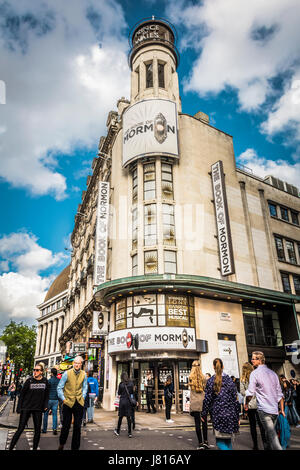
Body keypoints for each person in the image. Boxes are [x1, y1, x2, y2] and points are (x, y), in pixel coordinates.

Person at [244, 351, 284, 450]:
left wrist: (246, 403)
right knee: (268, 436)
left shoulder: (255, 373)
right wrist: (282, 409)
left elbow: (250, 393)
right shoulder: (273, 373)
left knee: (272, 437)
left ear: (259, 360)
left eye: (253, 358)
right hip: (274, 410)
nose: (251, 360)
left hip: (264, 410)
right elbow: (280, 394)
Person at [9, 363, 49, 450]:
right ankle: (11, 448)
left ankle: (34, 448)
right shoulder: (29, 381)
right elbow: (22, 395)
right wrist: (19, 408)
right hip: (26, 408)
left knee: (37, 430)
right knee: (20, 429)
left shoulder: (45, 381)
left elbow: (47, 395)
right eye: (34, 370)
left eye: (37, 370)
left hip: (38, 409)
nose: (35, 372)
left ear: (41, 372)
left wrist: (46, 405)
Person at [201, 358, 240, 450]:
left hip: (218, 414)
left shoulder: (210, 381)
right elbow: (235, 399)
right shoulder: (230, 381)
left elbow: (207, 400)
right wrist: (237, 415)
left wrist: (204, 413)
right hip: (230, 413)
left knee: (220, 441)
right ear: (223, 366)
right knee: (227, 440)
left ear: (213, 367)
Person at [57, 355, 87, 450]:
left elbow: (85, 387)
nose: (77, 365)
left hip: (79, 402)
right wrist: (63, 399)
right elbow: (59, 388)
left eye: (79, 363)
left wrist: (83, 396)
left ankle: (75, 448)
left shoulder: (84, 374)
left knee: (77, 427)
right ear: (73, 363)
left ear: (81, 364)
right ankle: (62, 443)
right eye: (75, 363)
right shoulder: (67, 373)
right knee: (66, 425)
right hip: (68, 402)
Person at [240, 362, 267, 450]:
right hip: (259, 403)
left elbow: (243, 392)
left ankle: (255, 445)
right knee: (262, 425)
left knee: (252, 425)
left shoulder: (242, 380)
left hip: (249, 404)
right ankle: (265, 444)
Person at [188, 360, 208, 450]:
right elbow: (205, 390)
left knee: (197, 423)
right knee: (204, 422)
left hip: (195, 403)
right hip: (203, 402)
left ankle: (200, 443)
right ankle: (206, 442)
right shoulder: (203, 378)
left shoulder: (190, 377)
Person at [114, 372, 134, 437]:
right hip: (128, 402)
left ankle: (118, 431)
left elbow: (119, 393)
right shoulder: (131, 384)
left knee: (120, 417)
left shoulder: (121, 384)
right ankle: (129, 433)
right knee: (128, 417)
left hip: (122, 402)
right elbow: (132, 393)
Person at [42, 368, 60, 435]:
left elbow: (46, 391)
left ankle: (44, 429)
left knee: (45, 415)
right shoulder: (59, 380)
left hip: (49, 400)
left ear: (52, 373)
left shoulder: (49, 381)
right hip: (56, 400)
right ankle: (54, 429)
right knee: (55, 415)